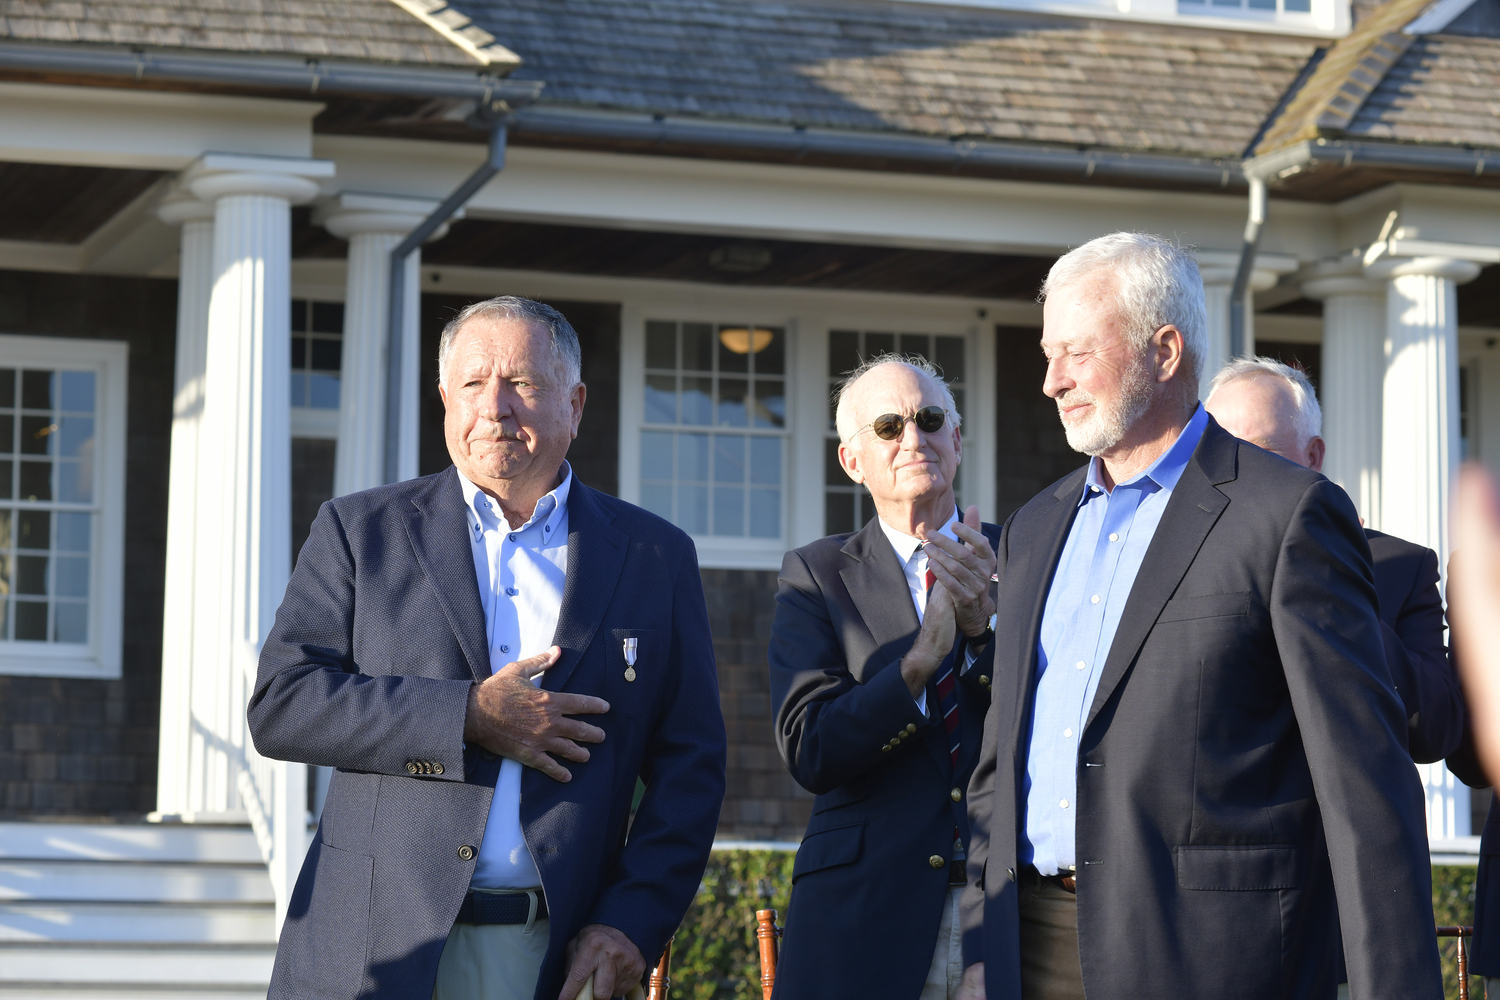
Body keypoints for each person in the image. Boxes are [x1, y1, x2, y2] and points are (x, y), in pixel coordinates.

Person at [958, 232, 1441, 1000]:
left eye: (1078, 353)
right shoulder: (1033, 527)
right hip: (1031, 949)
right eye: (1049, 353)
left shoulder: (1286, 515)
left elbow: (1366, 786)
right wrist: (981, 948)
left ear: (1166, 349)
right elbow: (998, 761)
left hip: (1215, 957)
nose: (1051, 381)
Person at [248, 296, 727, 1000]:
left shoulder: (655, 555)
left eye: (524, 384)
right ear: (445, 400)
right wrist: (467, 716)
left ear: (576, 403)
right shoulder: (359, 531)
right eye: (473, 384)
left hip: (550, 959)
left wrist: (631, 922)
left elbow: (691, 768)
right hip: (372, 950)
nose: (495, 408)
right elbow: (282, 704)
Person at [768, 355, 1000, 1000]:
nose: (913, 440)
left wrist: (985, 635)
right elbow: (811, 749)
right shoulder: (817, 576)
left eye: (929, 420)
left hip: (1009, 907)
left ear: (956, 439)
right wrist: (918, 663)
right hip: (867, 915)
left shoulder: (1025, 557)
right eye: (889, 426)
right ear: (852, 461)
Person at [1204, 356, 1464, 763]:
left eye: (1261, 452)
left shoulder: (1398, 565)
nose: (1236, 472)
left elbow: (1434, 733)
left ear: (1312, 456)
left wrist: (1334, 586)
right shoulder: (1166, 558)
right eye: (1220, 452)